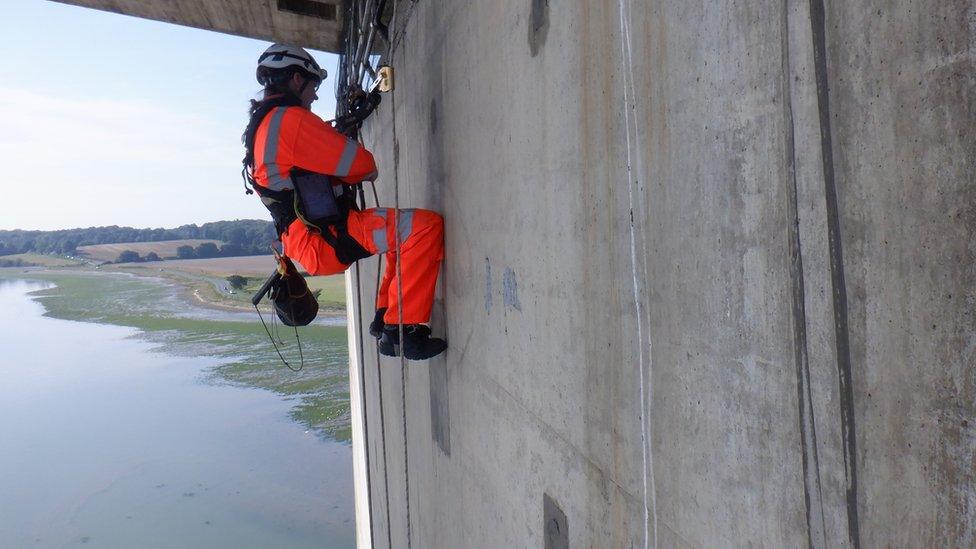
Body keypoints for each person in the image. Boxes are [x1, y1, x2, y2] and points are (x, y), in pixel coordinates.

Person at [241, 43, 447, 360]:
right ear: (297, 79)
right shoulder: (290, 121)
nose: (316, 95)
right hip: (325, 238)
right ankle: (400, 329)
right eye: (314, 85)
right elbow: (365, 167)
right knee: (422, 228)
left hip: (305, 240)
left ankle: (385, 317)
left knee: (398, 235)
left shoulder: (261, 127)